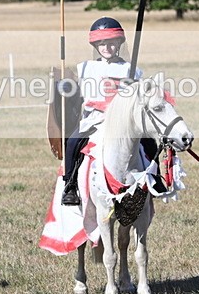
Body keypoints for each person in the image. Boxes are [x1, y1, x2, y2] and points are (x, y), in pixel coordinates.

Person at [60, 17, 157, 206]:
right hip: (95, 120)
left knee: (149, 142)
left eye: (111, 43)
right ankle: (70, 186)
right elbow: (77, 92)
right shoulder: (85, 67)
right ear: (96, 45)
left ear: (119, 44)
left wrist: (133, 88)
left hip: (125, 123)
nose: (107, 48)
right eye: (102, 44)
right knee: (72, 142)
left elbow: (139, 99)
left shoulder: (131, 69)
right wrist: (65, 87)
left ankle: (156, 179)